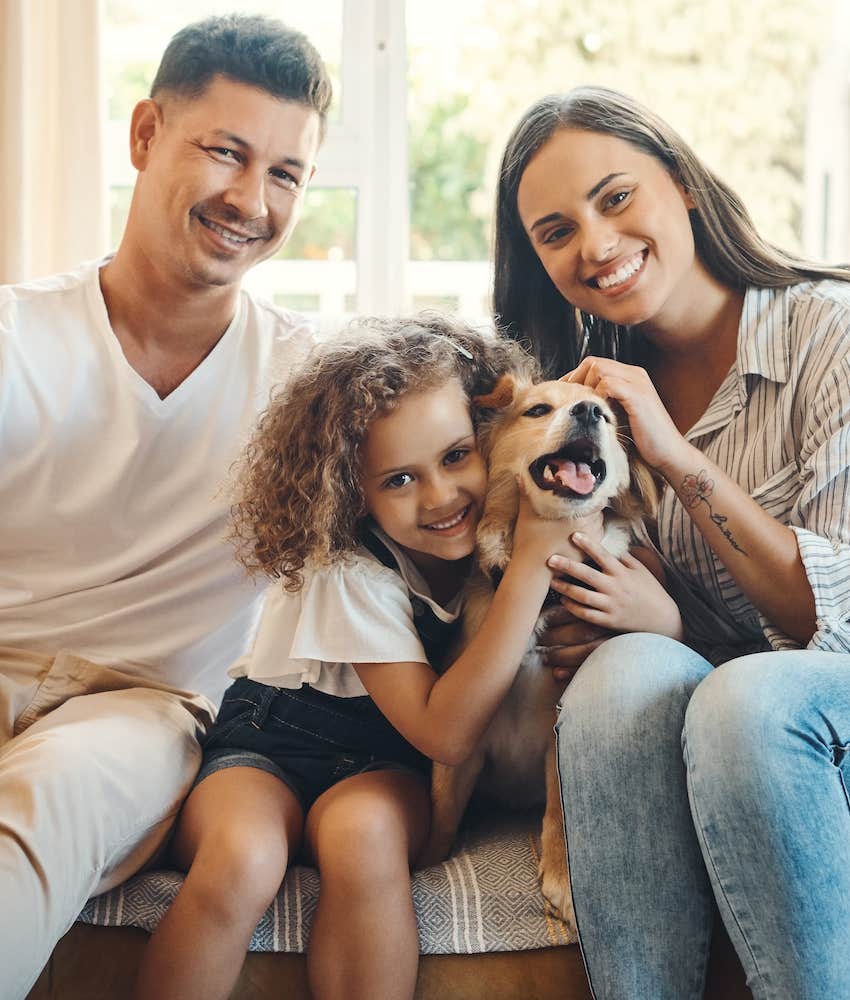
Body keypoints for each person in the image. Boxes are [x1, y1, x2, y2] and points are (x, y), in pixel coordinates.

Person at [492, 86, 850, 1000]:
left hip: (811, 697)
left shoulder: (827, 333)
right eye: (556, 230)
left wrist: (676, 455)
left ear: (683, 185)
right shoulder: (589, 399)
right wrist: (651, 623)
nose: (596, 245)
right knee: (624, 679)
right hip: (727, 692)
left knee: (747, 700)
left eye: (616, 198)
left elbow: (831, 621)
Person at [0, 14, 332, 998]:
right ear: (145, 136)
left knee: (44, 804)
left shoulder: (309, 382)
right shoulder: (19, 338)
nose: (251, 199)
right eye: (226, 152)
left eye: (285, 174)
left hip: (141, 709)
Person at [131, 315, 583, 1000]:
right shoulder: (348, 571)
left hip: (381, 768)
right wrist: (528, 567)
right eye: (399, 479)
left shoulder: (483, 545)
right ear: (352, 491)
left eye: (457, 456)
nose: (440, 497)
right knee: (244, 858)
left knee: (363, 838)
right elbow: (446, 733)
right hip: (269, 749)